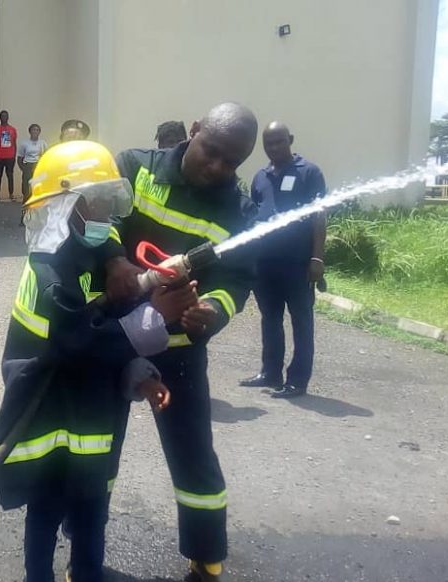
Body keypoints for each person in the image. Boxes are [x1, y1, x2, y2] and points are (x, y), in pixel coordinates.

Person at [0, 140, 173, 582]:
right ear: (67, 208)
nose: (106, 218)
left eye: (111, 204)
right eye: (97, 205)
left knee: (93, 504)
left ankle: (87, 572)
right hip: (49, 414)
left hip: (90, 415)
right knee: (46, 508)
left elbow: (110, 323)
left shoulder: (91, 255)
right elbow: (82, 344)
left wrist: (141, 375)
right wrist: (157, 317)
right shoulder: (49, 272)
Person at [107, 102, 260, 582]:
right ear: (193, 132)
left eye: (230, 162)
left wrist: (211, 311)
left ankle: (206, 555)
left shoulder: (237, 209)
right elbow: (97, 221)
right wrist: (115, 261)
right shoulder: (134, 167)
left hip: (178, 350)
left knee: (194, 451)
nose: (217, 168)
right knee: (96, 447)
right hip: (111, 340)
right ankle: (85, 549)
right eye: (210, 151)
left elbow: (236, 279)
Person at [240, 122, 327, 399]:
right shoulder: (260, 176)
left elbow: (319, 217)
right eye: (268, 144)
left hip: (298, 262)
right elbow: (253, 216)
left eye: (279, 142)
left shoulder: (309, 172)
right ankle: (270, 371)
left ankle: (298, 381)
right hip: (266, 262)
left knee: (301, 320)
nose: (274, 148)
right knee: (270, 318)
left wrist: (317, 257)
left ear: (290, 139)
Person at [17, 124, 48, 203]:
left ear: (39, 132)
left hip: (38, 165)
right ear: (30, 131)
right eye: (33, 130)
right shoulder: (24, 143)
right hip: (28, 165)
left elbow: (46, 156)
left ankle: (37, 200)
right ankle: (26, 200)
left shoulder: (43, 143)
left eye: (37, 130)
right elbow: (20, 157)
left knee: (38, 183)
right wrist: (23, 168)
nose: (35, 131)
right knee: (26, 185)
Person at [0, 110, 18, 200]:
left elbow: (14, 143)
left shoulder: (12, 130)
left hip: (10, 157)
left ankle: (11, 194)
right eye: (2, 116)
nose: (4, 118)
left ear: (8, 117)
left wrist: (14, 155)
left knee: (10, 176)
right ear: (0, 117)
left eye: (5, 116)